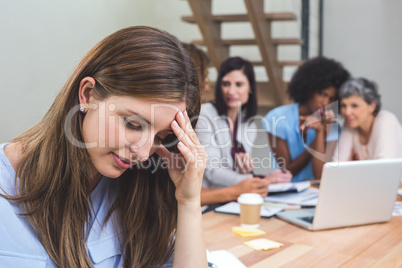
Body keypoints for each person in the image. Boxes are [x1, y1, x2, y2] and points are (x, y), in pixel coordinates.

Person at [0, 26, 207, 267]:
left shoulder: (139, 189)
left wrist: (189, 202)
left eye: (160, 137)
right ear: (87, 95)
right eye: (134, 124)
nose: (142, 153)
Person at [195, 57, 292, 207]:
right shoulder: (205, 115)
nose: (231, 91)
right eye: (226, 84)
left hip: (232, 202)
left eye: (239, 84)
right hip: (208, 202)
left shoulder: (249, 125)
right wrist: (260, 180)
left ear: (250, 88)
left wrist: (248, 174)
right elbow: (211, 170)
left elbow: (237, 176)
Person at [263, 56, 350, 181]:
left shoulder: (333, 127)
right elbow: (287, 171)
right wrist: (316, 141)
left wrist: (321, 131)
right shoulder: (277, 118)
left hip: (314, 193)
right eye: (322, 94)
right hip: (284, 189)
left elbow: (320, 176)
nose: (325, 102)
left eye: (331, 98)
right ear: (309, 88)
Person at [332, 77, 402, 161]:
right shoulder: (350, 124)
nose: (347, 112)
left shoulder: (386, 120)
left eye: (354, 106)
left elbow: (383, 169)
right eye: (343, 105)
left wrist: (350, 167)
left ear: (372, 106)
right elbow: (336, 165)